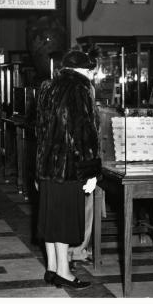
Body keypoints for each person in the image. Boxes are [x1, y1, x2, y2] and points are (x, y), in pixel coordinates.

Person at [35, 50, 101, 290]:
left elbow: (40, 132)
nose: (92, 76)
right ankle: (64, 272)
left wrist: (38, 169)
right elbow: (85, 132)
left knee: (51, 219)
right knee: (64, 220)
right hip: (70, 166)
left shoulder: (48, 87)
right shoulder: (80, 88)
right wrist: (92, 170)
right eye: (91, 71)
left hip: (47, 166)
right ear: (85, 69)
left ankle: (52, 268)